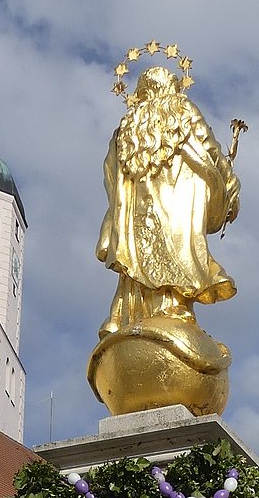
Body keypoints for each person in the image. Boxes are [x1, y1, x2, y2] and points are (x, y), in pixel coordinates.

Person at [95, 65, 239, 338]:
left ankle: (125, 316)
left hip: (138, 212)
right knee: (174, 255)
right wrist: (229, 181)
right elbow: (209, 147)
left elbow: (110, 175)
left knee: (138, 259)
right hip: (178, 204)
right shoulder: (182, 110)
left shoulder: (125, 128)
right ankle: (171, 309)